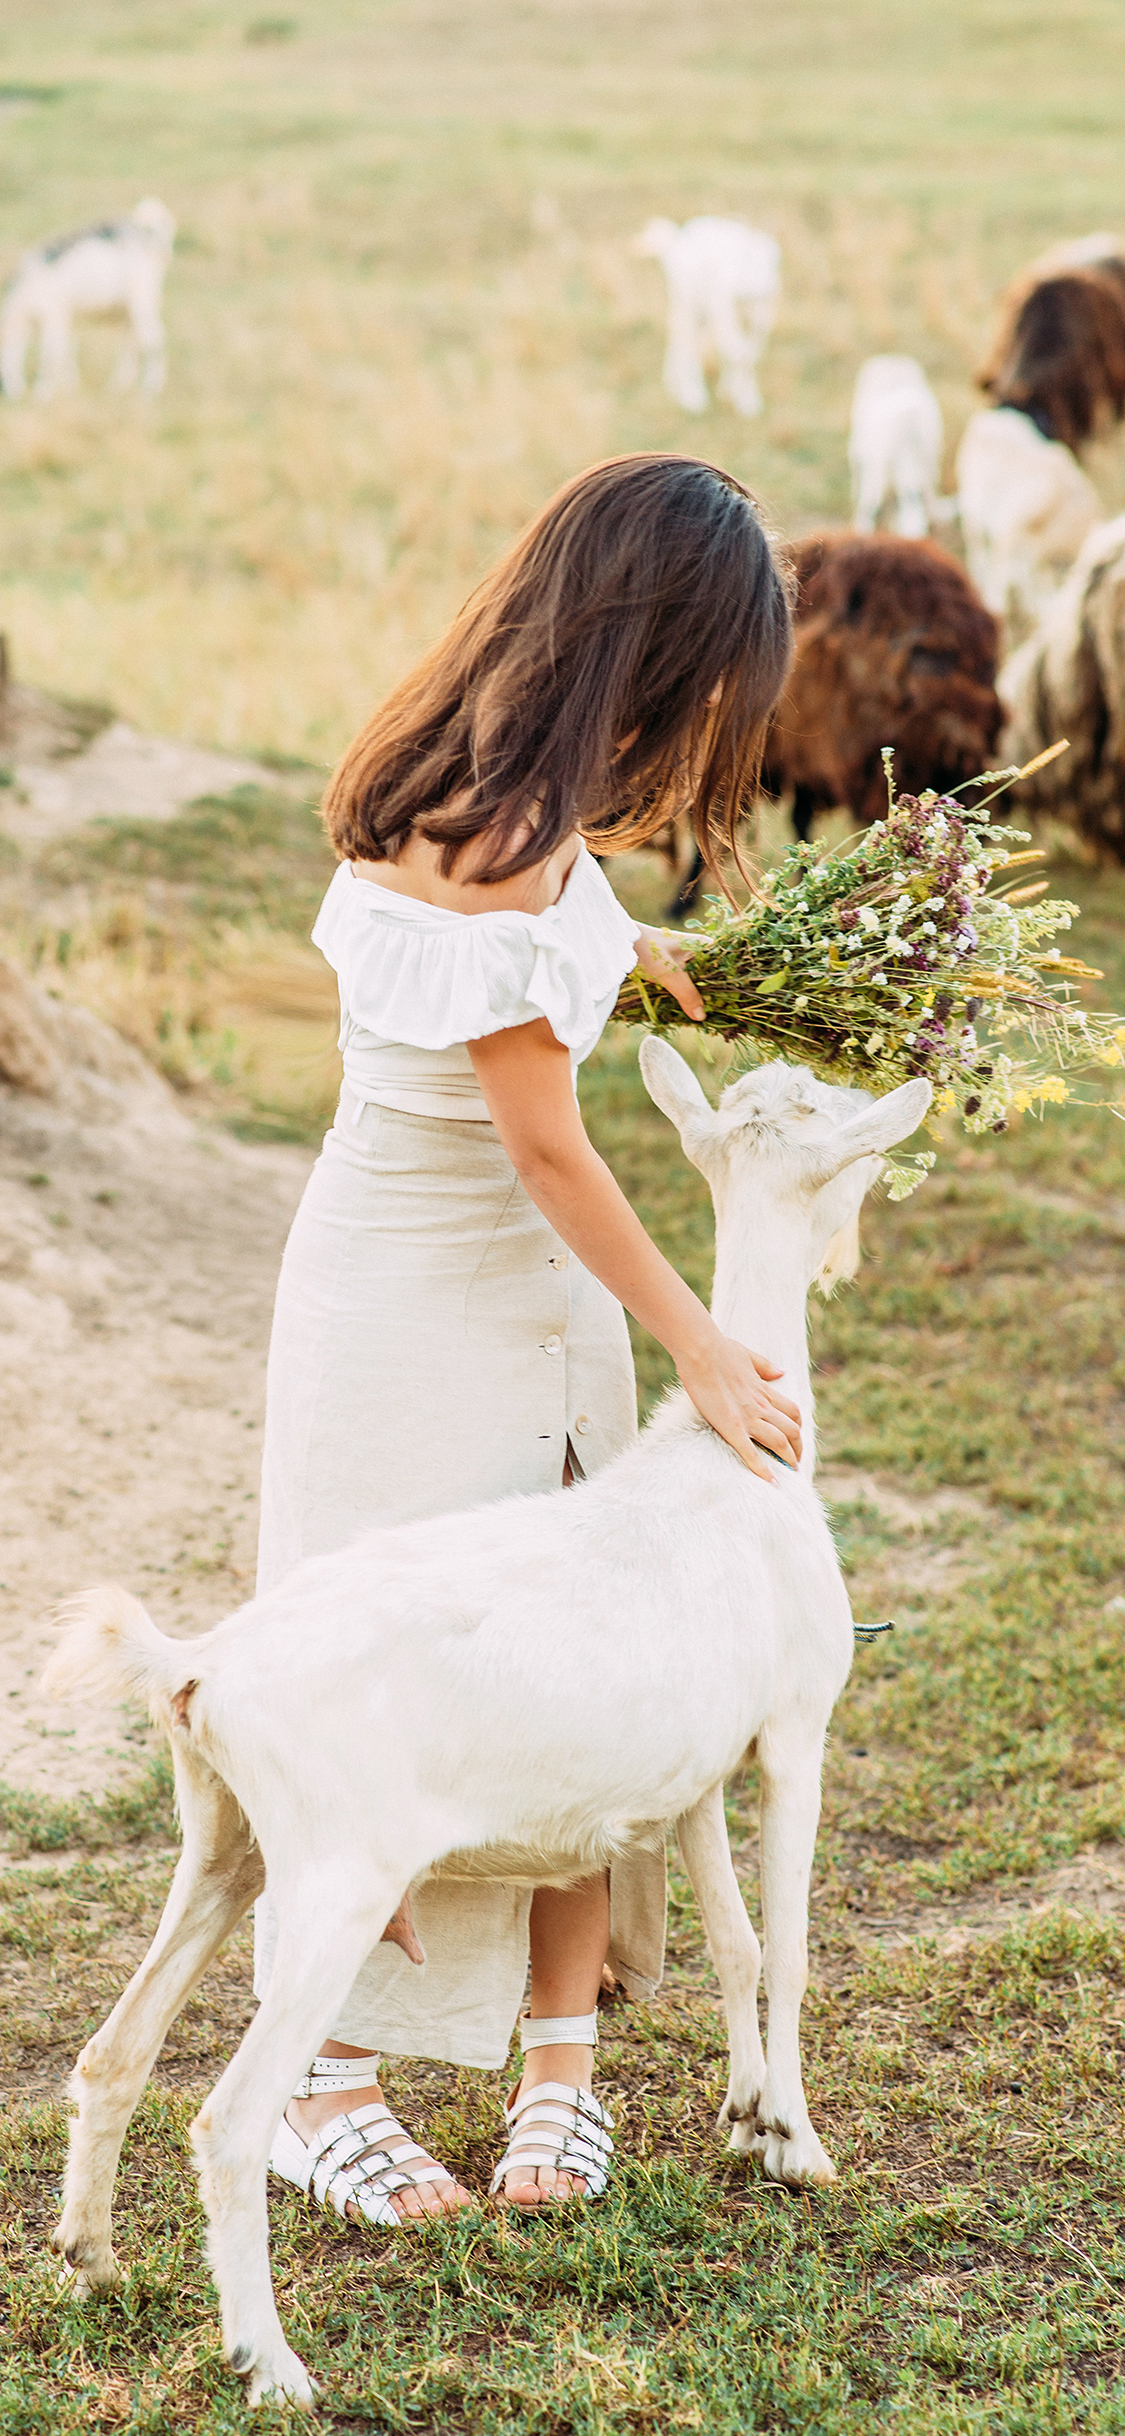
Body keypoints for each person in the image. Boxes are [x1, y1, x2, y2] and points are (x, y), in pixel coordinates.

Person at [256, 452, 801, 2229]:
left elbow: (508, 975)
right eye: (713, 676)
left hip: (531, 1294)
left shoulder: (491, 790)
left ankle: (558, 2063)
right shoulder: (495, 829)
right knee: (376, 1685)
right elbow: (544, 1143)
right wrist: (705, 1348)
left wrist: (624, 953)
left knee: (586, 1651)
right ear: (644, 648)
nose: (716, 719)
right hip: (418, 1301)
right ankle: (316, 2080)